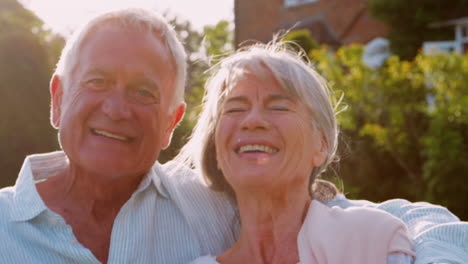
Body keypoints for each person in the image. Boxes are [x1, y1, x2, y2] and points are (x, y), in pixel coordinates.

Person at [0, 7, 466, 264]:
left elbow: (409, 219)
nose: (117, 108)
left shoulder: (208, 202)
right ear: (58, 98)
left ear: (170, 122)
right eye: (97, 82)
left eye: (144, 92)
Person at [177, 42, 416, 263]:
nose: (252, 120)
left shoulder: (373, 241)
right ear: (217, 152)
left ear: (321, 145)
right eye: (235, 109)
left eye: (278, 107)